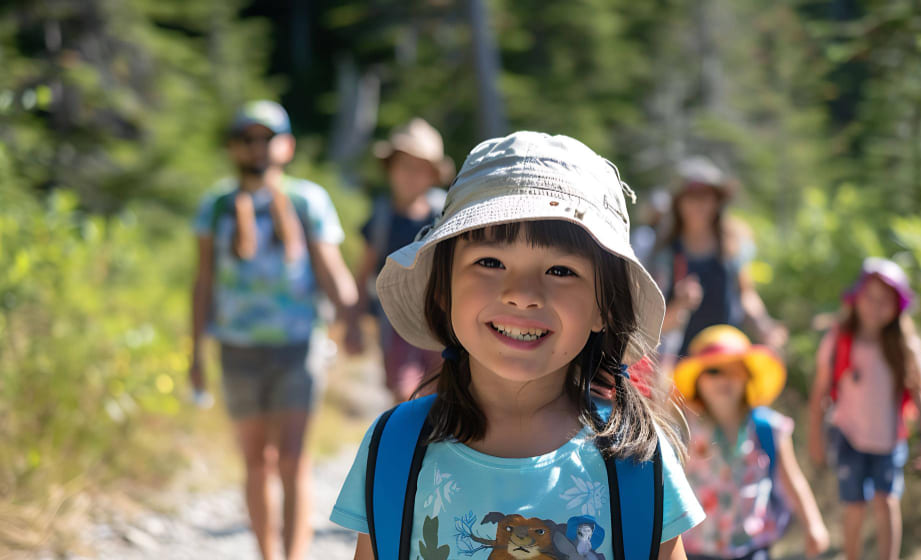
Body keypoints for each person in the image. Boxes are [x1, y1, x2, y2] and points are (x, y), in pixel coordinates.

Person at [330, 131, 706, 559]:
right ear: (442, 290)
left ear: (604, 307)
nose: (522, 294)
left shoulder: (635, 461)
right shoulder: (396, 447)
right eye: (489, 262)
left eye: (561, 270)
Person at [189, 100, 358, 560]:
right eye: (248, 139)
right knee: (255, 463)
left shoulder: (307, 200)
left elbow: (330, 270)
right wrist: (194, 355)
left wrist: (356, 318)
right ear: (233, 148)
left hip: (298, 347)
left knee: (292, 460)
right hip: (235, 349)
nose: (258, 148)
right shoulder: (217, 205)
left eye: (268, 139)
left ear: (286, 146)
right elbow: (203, 281)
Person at [807, 257, 921, 560]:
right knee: (853, 505)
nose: (876, 306)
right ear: (856, 298)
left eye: (886, 300)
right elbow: (820, 393)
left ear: (898, 307)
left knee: (887, 503)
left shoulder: (904, 345)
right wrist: (815, 437)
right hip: (848, 436)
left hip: (889, 440)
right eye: (870, 297)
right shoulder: (840, 340)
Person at [672, 325, 829, 560]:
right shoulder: (684, 429)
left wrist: (813, 524)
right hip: (697, 547)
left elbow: (792, 479)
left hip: (752, 545)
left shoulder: (767, 428)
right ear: (697, 380)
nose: (724, 379)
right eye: (714, 371)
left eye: (733, 369)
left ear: (747, 376)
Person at [343, 118, 453, 403]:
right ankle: (407, 445)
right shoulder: (381, 218)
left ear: (433, 175)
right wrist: (352, 323)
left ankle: (434, 446)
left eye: (420, 169)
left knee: (444, 392)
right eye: (404, 166)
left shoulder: (445, 217)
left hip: (443, 320)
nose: (410, 176)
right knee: (404, 394)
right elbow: (364, 271)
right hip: (395, 322)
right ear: (390, 169)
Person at [652, 157, 786, 360]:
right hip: (683, 362)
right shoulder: (667, 253)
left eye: (705, 196)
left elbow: (746, 295)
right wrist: (680, 305)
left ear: (717, 201)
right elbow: (655, 326)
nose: (699, 205)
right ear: (679, 203)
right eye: (691, 197)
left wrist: (765, 327)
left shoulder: (733, 244)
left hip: (729, 353)